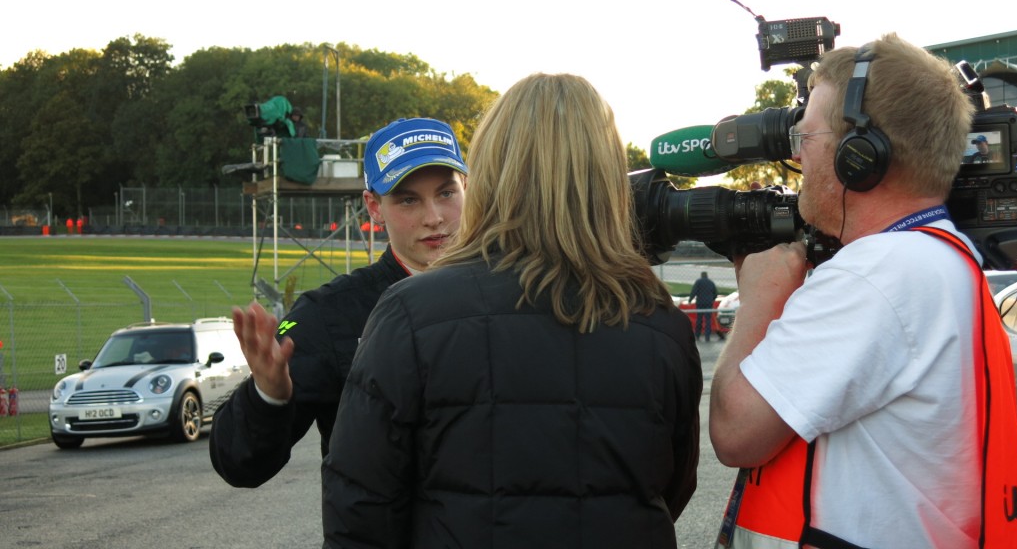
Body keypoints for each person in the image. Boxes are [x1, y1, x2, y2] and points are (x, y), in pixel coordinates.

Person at [322, 73, 703, 548]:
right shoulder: (659, 318)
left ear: (490, 170)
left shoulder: (411, 312)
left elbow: (360, 513)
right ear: (607, 174)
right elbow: (671, 488)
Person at [709, 33, 1017, 548]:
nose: (799, 161)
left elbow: (734, 431)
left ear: (860, 157)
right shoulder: (937, 257)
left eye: (804, 139)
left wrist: (758, 302)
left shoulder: (877, 273)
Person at [209, 117, 467, 489]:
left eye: (446, 193)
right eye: (408, 199)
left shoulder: (518, 292)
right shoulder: (330, 314)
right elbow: (239, 464)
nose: (434, 218)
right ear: (374, 206)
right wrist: (267, 396)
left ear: (468, 188)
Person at [688, 270, 718, 342]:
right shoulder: (711, 282)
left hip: (700, 303)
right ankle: (707, 336)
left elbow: (694, 291)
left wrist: (690, 300)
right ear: (707, 276)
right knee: (708, 320)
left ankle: (697, 335)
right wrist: (712, 299)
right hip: (708, 303)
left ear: (701, 276)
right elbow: (715, 293)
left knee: (699, 319)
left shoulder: (698, 282)